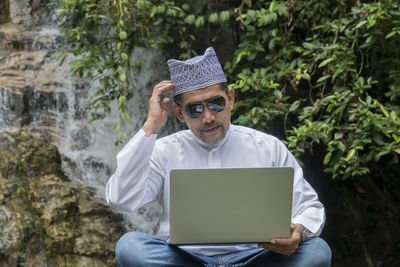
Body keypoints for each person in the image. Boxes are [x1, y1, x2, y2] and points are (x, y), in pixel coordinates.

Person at [105, 47, 332, 266]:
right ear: (179, 113)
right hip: (184, 259)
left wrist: (299, 232)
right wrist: (150, 126)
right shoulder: (164, 150)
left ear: (230, 99)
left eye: (216, 104)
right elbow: (121, 199)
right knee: (130, 247)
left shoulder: (268, 147)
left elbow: (309, 207)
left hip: (256, 258)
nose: (208, 117)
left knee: (317, 250)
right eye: (195, 109)